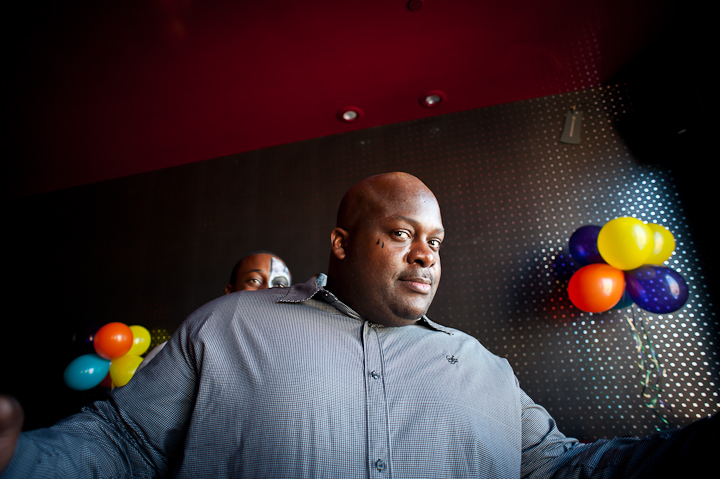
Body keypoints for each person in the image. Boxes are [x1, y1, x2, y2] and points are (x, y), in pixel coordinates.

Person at [0, 172, 717, 478]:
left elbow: (561, 470)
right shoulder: (227, 326)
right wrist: (19, 462)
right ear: (341, 243)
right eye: (401, 233)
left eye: (435, 240)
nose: (426, 253)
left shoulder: (487, 371)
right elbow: (121, 445)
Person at [139, 251, 291, 368]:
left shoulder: (294, 358)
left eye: (280, 285)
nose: (267, 291)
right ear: (230, 291)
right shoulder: (179, 354)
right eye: (254, 280)